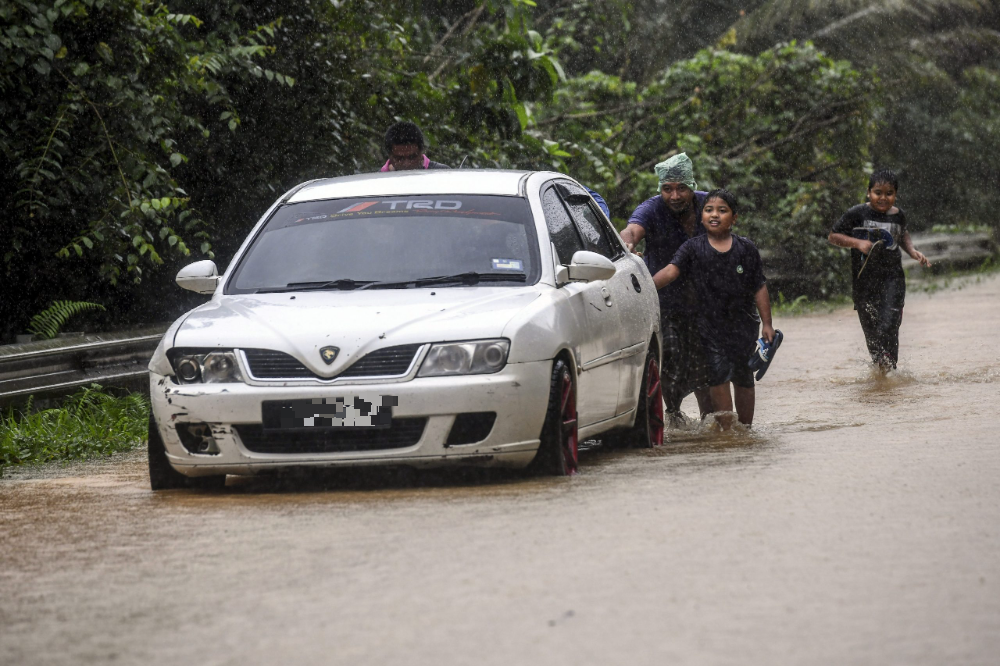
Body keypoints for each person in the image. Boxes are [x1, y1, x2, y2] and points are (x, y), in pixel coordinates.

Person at [651, 189, 775, 429]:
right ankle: (729, 430)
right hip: (708, 328)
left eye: (722, 210)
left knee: (743, 377)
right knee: (718, 376)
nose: (714, 215)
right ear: (701, 216)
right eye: (708, 210)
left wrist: (767, 324)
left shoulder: (746, 249)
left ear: (734, 218)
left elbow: (759, 287)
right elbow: (670, 271)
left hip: (743, 327)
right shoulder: (692, 248)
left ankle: (745, 429)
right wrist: (645, 285)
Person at [620, 153, 712, 423]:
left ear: (691, 186)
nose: (674, 196)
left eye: (681, 188)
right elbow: (632, 230)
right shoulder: (651, 209)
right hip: (664, 301)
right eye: (667, 189)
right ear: (660, 189)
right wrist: (627, 244)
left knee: (705, 367)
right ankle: (672, 414)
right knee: (669, 358)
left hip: (704, 302)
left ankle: (712, 423)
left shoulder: (709, 204)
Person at [828, 169, 931, 371]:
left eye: (889, 193)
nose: (883, 198)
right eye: (878, 192)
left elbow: (903, 234)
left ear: (896, 194)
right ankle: (881, 370)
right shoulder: (856, 214)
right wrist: (858, 243)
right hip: (863, 279)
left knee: (889, 321)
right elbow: (833, 236)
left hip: (893, 277)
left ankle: (890, 366)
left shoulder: (898, 215)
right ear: (868, 192)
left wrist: (912, 251)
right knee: (871, 330)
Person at [380, 121, 450, 171]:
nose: (407, 164)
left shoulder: (442, 174)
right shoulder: (377, 180)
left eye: (412, 157)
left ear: (421, 151)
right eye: (400, 159)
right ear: (389, 155)